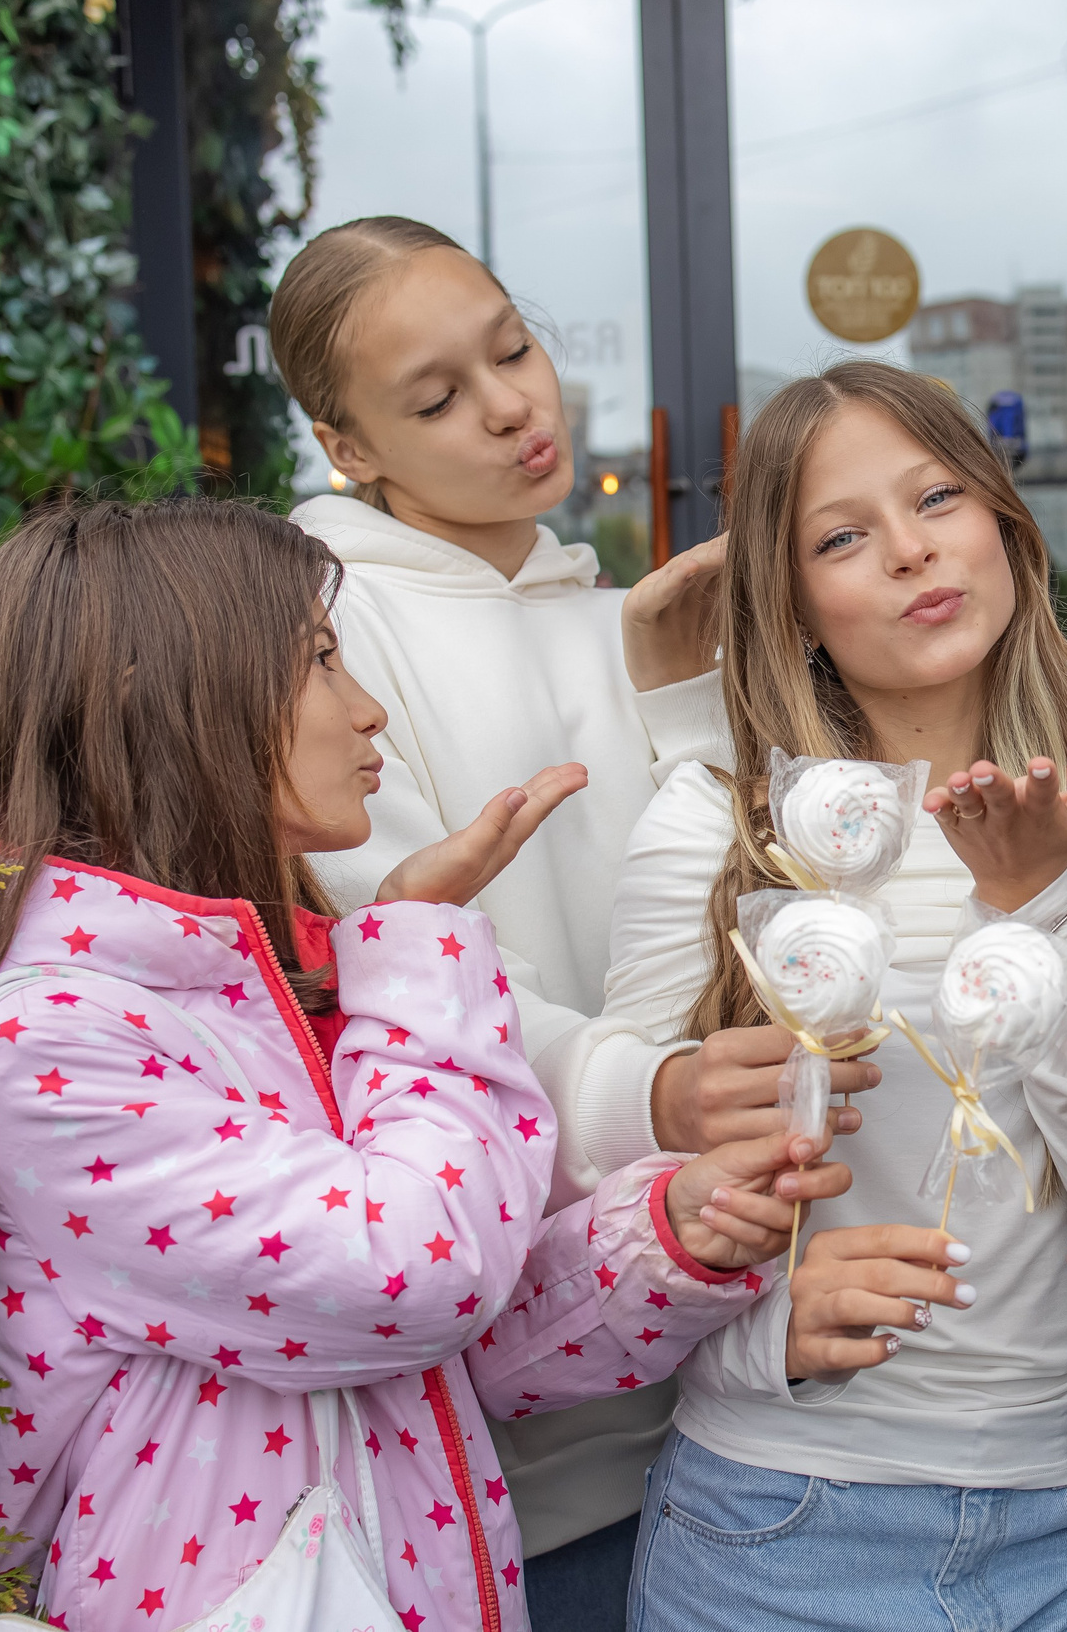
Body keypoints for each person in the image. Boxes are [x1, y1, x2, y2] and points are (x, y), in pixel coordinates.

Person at [0, 499, 847, 1631]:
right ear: (175, 700)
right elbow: (416, 1275)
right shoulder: (50, 1046)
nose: (367, 707)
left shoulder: (266, 979)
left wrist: (669, 1233)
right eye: (321, 663)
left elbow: (442, 1359)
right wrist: (421, 935)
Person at [548, 361, 1067, 1630]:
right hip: (780, 1523)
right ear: (790, 601)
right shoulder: (721, 815)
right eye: (842, 537)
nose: (912, 552)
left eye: (939, 497)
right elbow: (598, 1169)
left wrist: (1032, 906)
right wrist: (753, 1334)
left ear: (1005, 521)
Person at [269, 215, 733, 1620]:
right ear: (350, 450)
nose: (512, 405)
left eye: (512, 346)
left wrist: (677, 697)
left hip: (700, 1284)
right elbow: (414, 963)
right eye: (437, 398)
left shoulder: (591, 596)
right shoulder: (322, 633)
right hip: (527, 1372)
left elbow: (702, 886)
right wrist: (651, 1092)